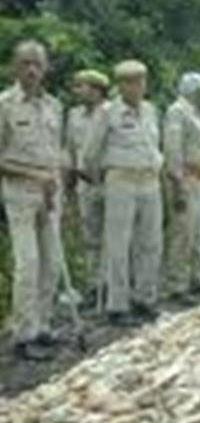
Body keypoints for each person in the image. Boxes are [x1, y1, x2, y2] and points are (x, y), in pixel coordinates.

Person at [82, 60, 164, 326]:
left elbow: (155, 145)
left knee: (150, 242)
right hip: (121, 180)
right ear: (121, 85)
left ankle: (145, 297)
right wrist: (98, 183)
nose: (137, 86)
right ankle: (117, 304)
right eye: (131, 81)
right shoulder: (108, 112)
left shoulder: (150, 110)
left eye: (141, 81)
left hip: (150, 180)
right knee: (118, 244)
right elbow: (90, 153)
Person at [0, 41, 64, 361]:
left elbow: (55, 151)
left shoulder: (54, 105)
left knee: (51, 263)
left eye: (37, 63)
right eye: (24, 63)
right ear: (14, 66)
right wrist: (35, 176)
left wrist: (54, 182)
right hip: (20, 195)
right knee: (28, 264)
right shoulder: (5, 105)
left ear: (46, 67)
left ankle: (42, 325)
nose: (31, 70)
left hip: (51, 194)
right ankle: (23, 335)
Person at [162, 73, 200, 305]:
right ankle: (178, 284)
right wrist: (177, 182)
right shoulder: (177, 111)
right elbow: (172, 148)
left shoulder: (194, 113)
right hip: (185, 178)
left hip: (199, 178)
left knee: (196, 233)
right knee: (182, 233)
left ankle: (198, 276)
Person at [65, 69, 110, 303]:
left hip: (110, 182)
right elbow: (70, 150)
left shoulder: (112, 112)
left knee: (114, 235)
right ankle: (95, 285)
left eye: (81, 86)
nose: (77, 91)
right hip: (85, 183)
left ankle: (113, 284)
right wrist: (69, 182)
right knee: (90, 236)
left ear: (96, 89)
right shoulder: (74, 115)